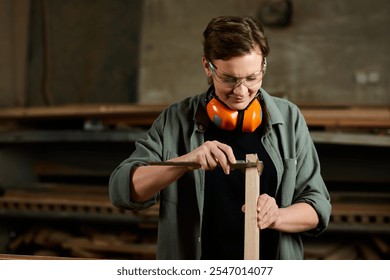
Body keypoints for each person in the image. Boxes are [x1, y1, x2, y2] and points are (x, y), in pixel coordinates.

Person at [109, 15, 331, 260]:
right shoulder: (175, 120)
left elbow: (317, 206)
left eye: (252, 78)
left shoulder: (289, 119)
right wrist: (185, 162)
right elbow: (122, 191)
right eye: (229, 79)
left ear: (264, 66)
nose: (241, 91)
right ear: (207, 66)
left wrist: (277, 216)